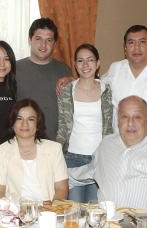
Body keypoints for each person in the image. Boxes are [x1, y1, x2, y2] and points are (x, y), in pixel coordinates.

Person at [57, 25, 147, 147]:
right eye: (131, 43)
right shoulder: (116, 69)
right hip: (119, 147)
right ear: (125, 48)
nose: (136, 47)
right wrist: (73, 80)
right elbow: (95, 82)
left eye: (142, 42)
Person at [69, 95, 147, 217]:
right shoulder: (106, 145)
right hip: (107, 222)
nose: (130, 123)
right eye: (124, 116)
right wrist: (53, 172)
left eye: (137, 117)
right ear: (118, 121)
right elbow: (86, 172)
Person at [57, 43, 113, 202]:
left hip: (100, 159)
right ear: (75, 65)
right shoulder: (66, 90)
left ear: (98, 63)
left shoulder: (108, 90)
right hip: (72, 159)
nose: (85, 65)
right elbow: (62, 127)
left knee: (95, 211)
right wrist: (54, 153)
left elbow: (111, 127)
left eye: (90, 60)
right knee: (74, 211)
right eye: (80, 61)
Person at [0, 99, 68, 205]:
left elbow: (61, 188)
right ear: (12, 123)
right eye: (19, 119)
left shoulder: (54, 149)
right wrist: (19, 211)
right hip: (14, 215)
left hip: (48, 213)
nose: (24, 124)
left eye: (30, 119)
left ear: (38, 124)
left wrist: (53, 206)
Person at [16, 18, 72, 141]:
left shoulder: (64, 70)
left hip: (57, 145)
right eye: (38, 39)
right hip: (23, 144)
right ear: (30, 40)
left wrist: (73, 80)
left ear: (55, 44)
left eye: (49, 40)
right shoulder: (14, 70)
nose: (43, 45)